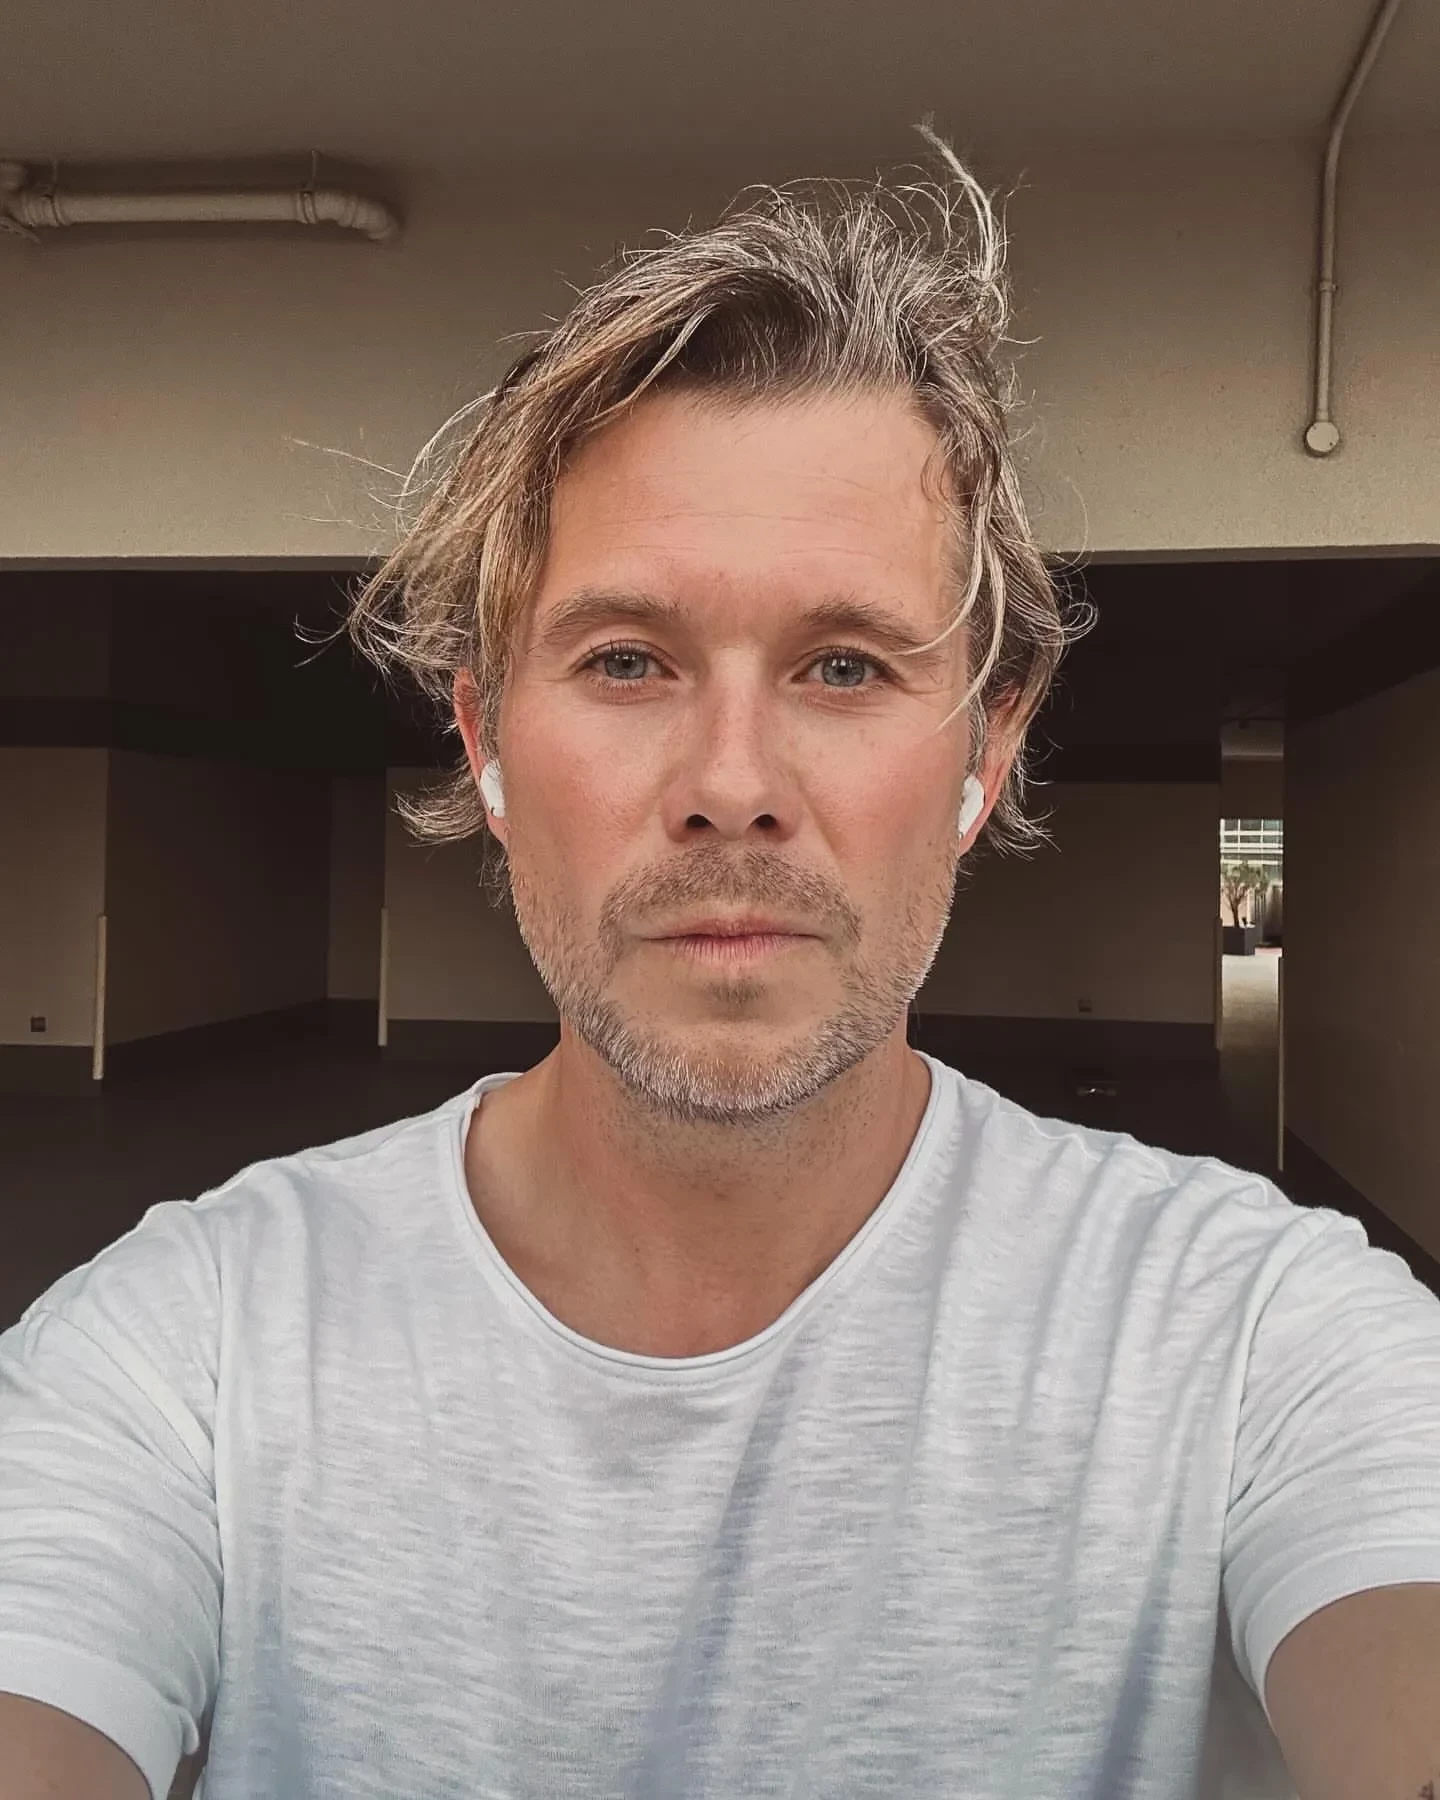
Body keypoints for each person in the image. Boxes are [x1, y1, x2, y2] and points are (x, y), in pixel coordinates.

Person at [3, 131, 1440, 1800]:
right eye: (627, 661)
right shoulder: (184, 1348)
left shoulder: (1260, 1334)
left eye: (845, 665)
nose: (732, 783)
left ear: (985, 756)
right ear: (485, 744)